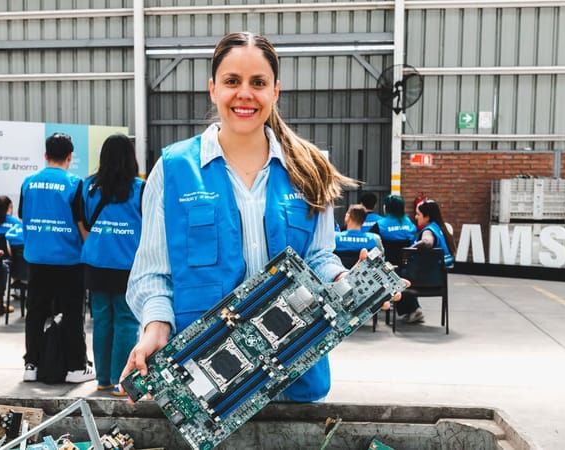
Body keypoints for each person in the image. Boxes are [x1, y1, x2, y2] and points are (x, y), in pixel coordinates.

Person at [123, 31, 377, 403]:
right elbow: (153, 274)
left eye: (258, 82)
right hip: (205, 385)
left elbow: (318, 258)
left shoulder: (309, 168)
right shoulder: (175, 169)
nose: (245, 93)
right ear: (213, 89)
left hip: (295, 376)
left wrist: (347, 280)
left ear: (275, 91)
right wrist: (155, 327)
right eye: (232, 81)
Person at [19, 132, 94, 384]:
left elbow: (22, 215)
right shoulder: (75, 184)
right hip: (68, 260)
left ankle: (32, 365)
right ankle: (75, 367)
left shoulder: (28, 183)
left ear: (45, 155)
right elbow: (80, 221)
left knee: (36, 312)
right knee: (72, 313)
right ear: (70, 157)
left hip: (37, 259)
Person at [80, 134, 143, 396]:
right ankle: (122, 381)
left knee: (102, 319)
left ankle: (103, 378)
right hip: (127, 264)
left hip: (95, 263)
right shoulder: (140, 188)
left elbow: (82, 221)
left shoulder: (88, 187)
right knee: (126, 321)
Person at [395, 199, 456, 323]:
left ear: (427, 216)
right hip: (438, 279)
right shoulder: (440, 228)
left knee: (393, 275)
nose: (416, 217)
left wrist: (409, 250)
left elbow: (427, 242)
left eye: (418, 214)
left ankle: (413, 310)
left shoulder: (428, 231)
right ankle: (413, 310)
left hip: (422, 278)